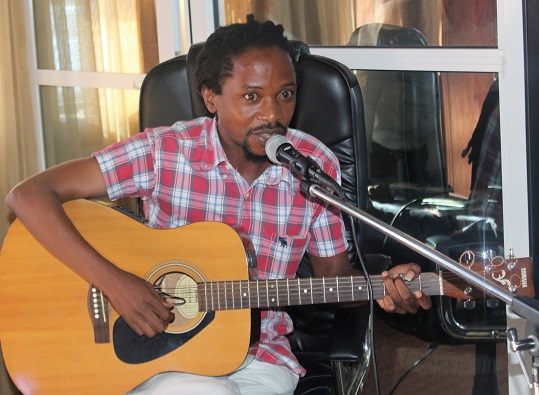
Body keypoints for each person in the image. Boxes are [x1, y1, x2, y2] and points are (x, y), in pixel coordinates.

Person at [5, 17, 431, 395]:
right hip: (160, 359)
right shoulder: (165, 152)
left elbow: (334, 278)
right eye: (251, 98)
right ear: (211, 98)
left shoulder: (313, 165)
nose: (273, 113)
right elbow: (27, 196)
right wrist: (115, 283)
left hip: (263, 359)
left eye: (286, 94)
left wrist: (382, 289)